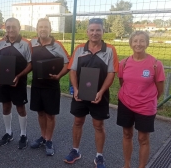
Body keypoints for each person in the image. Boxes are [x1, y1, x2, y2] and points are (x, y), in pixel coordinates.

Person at [64, 18, 118, 168]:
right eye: (92, 30)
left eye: (98, 30)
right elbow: (73, 71)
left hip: (99, 95)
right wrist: (75, 88)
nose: (95, 33)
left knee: (98, 125)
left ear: (103, 31)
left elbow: (111, 74)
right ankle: (75, 151)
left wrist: (101, 92)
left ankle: (99, 156)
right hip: (80, 93)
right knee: (77, 122)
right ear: (87, 32)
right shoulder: (79, 49)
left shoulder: (110, 50)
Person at [117, 31, 165, 168]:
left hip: (146, 107)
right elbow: (122, 82)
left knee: (143, 138)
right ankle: (127, 165)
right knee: (127, 134)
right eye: (135, 41)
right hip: (125, 103)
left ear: (147, 43)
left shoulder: (156, 64)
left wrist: (146, 99)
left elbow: (159, 89)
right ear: (131, 43)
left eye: (142, 41)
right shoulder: (124, 63)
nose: (138, 44)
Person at [29, 18, 69, 156]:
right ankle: (43, 136)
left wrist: (58, 76)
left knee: (50, 114)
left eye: (46, 27)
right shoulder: (31, 43)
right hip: (36, 84)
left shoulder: (57, 45)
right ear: (37, 29)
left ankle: (49, 140)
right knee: (40, 112)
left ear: (50, 29)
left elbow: (67, 64)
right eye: (40, 27)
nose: (43, 29)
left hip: (51, 85)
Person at [0, 17, 32, 149]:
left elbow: (30, 64)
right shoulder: (0, 43)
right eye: (8, 27)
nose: (11, 29)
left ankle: (23, 134)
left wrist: (19, 76)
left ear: (19, 28)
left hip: (19, 81)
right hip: (3, 81)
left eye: (13, 27)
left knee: (20, 108)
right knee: (5, 107)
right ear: (5, 28)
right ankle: (8, 133)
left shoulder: (26, 44)